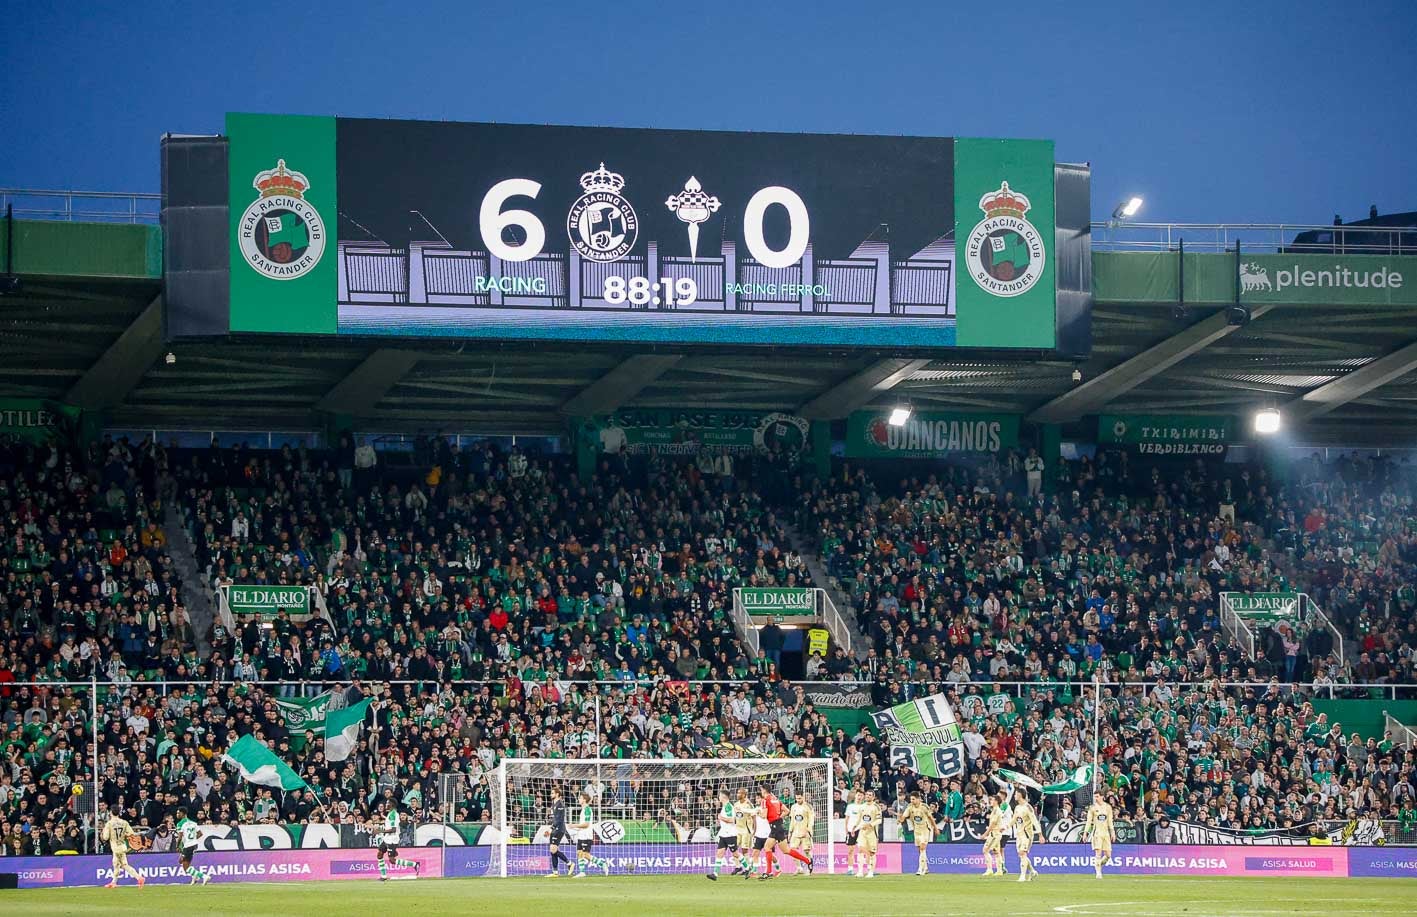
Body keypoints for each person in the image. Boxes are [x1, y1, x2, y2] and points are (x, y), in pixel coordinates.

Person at [372, 803, 421, 881]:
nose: (386, 805)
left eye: (388, 803)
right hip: (387, 838)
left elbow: (393, 829)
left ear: (392, 805)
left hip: (392, 839)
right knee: (379, 854)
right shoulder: (390, 814)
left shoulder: (394, 815)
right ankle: (383, 876)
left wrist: (379, 831)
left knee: (392, 860)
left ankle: (415, 864)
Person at [100, 814, 146, 888]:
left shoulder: (109, 823)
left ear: (111, 813)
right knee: (117, 864)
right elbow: (131, 833)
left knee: (123, 865)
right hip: (122, 845)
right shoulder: (124, 822)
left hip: (116, 847)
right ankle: (113, 882)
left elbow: (105, 837)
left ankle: (139, 878)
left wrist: (103, 832)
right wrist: (124, 834)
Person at [571, 792, 611, 876]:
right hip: (581, 835)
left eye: (580, 798)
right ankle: (582, 872)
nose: (579, 799)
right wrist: (576, 829)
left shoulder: (588, 809)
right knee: (579, 853)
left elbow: (586, 824)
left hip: (587, 835)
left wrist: (573, 825)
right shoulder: (583, 809)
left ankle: (602, 863)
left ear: (584, 800)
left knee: (586, 854)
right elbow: (582, 824)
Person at [901, 793, 937, 876]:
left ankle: (920, 869)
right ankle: (926, 867)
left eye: (913, 799)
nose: (911, 801)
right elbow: (904, 815)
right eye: (911, 799)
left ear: (918, 799)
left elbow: (930, 818)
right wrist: (901, 819)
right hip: (916, 830)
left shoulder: (924, 807)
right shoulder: (910, 807)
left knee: (922, 847)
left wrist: (935, 828)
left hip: (925, 829)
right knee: (920, 850)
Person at [1083, 793, 1117, 879]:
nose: (1096, 798)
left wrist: (1112, 832)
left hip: (1106, 833)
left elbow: (1110, 821)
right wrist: (1085, 833)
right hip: (1097, 833)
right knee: (1098, 853)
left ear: (1102, 797)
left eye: (1097, 796)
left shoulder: (1108, 807)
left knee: (1108, 855)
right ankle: (1098, 873)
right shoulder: (1092, 808)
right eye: (1095, 796)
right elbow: (1088, 822)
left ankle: (1098, 864)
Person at [708, 790, 740, 880]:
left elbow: (732, 820)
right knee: (719, 853)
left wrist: (721, 817)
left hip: (730, 834)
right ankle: (715, 874)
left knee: (736, 854)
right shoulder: (725, 806)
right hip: (724, 834)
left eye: (720, 796)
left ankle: (748, 868)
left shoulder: (728, 807)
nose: (719, 797)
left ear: (723, 797)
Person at [174, 808, 211, 885]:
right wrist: (193, 839)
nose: (177, 815)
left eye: (178, 813)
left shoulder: (180, 824)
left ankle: (203, 876)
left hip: (187, 846)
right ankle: (194, 876)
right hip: (194, 844)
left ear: (183, 814)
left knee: (185, 867)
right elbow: (200, 834)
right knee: (182, 861)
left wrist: (177, 846)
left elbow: (180, 837)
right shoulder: (193, 823)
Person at [981, 786, 1013, 876]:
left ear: (996, 801)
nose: (990, 801)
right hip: (997, 833)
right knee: (996, 851)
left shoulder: (998, 810)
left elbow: (993, 824)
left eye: (992, 800)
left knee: (986, 850)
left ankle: (990, 869)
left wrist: (985, 834)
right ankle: (999, 870)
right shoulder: (995, 810)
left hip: (995, 833)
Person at [1013, 792, 1043, 882]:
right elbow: (1014, 819)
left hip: (1027, 834)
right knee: (1021, 855)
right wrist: (1006, 826)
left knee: (1023, 853)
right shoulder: (1017, 807)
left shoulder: (1028, 807)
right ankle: (1033, 871)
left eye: (1016, 794)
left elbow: (1034, 821)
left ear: (1020, 795)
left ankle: (1022, 876)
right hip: (1019, 834)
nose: (1014, 796)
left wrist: (1040, 834)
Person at [786, 795, 816, 875]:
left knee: (807, 851)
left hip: (805, 832)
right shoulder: (793, 807)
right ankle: (799, 868)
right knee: (792, 850)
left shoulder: (808, 807)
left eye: (799, 798)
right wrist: (790, 831)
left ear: (803, 797)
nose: (798, 800)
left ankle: (810, 869)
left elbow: (811, 819)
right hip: (795, 832)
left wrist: (808, 830)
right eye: (796, 798)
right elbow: (792, 820)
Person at [855, 791, 882, 878]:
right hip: (862, 832)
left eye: (870, 795)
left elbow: (879, 820)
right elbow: (859, 819)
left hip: (872, 833)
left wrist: (870, 825)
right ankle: (860, 871)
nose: (867, 796)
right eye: (866, 795)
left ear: (873, 797)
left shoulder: (876, 807)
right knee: (860, 850)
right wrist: (855, 828)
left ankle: (871, 871)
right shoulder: (862, 806)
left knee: (871, 852)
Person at [547, 787, 572, 877]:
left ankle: (569, 863)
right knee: (552, 850)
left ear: (557, 794)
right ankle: (555, 872)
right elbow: (554, 818)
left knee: (553, 849)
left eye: (552, 793)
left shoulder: (560, 804)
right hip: (555, 828)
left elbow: (559, 819)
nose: (551, 794)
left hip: (559, 829)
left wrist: (551, 828)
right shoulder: (554, 804)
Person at [843, 790, 863, 876]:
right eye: (858, 795)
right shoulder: (850, 806)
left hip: (861, 830)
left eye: (861, 795)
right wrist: (846, 829)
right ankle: (850, 869)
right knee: (850, 850)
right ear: (855, 796)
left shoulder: (864, 807)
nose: (859, 797)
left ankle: (867, 868)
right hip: (851, 830)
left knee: (863, 850)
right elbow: (847, 818)